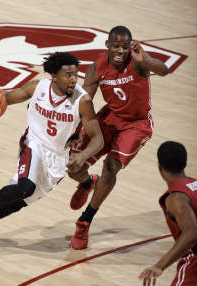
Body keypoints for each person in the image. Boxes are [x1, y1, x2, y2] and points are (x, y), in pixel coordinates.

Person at [0, 51, 104, 249]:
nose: (74, 79)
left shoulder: (82, 101)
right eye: (68, 75)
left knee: (15, 204)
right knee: (24, 188)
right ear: (54, 76)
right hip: (33, 144)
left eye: (75, 74)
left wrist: (82, 154)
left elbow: (98, 138)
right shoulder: (37, 88)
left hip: (58, 157)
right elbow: (5, 97)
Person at [68, 25, 169, 250]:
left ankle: (84, 221)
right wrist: (75, 130)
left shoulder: (138, 62)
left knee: (111, 166)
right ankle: (86, 183)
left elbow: (164, 70)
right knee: (72, 165)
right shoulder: (97, 67)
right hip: (109, 118)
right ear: (108, 46)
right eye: (116, 46)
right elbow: (84, 102)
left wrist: (146, 59)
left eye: (125, 46)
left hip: (136, 124)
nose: (120, 50)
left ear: (130, 46)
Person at [139, 141, 197, 286]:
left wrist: (159, 266)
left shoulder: (176, 197)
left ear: (159, 167)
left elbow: (192, 233)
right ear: (185, 164)